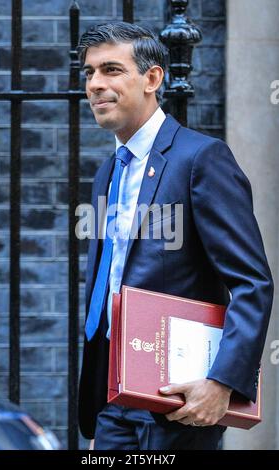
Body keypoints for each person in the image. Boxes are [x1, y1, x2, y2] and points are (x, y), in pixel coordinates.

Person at [77, 22, 274, 450]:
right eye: (89, 73)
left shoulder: (201, 158)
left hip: (179, 404)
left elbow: (252, 282)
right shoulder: (107, 173)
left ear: (152, 78)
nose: (95, 84)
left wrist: (222, 383)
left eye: (111, 70)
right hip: (113, 403)